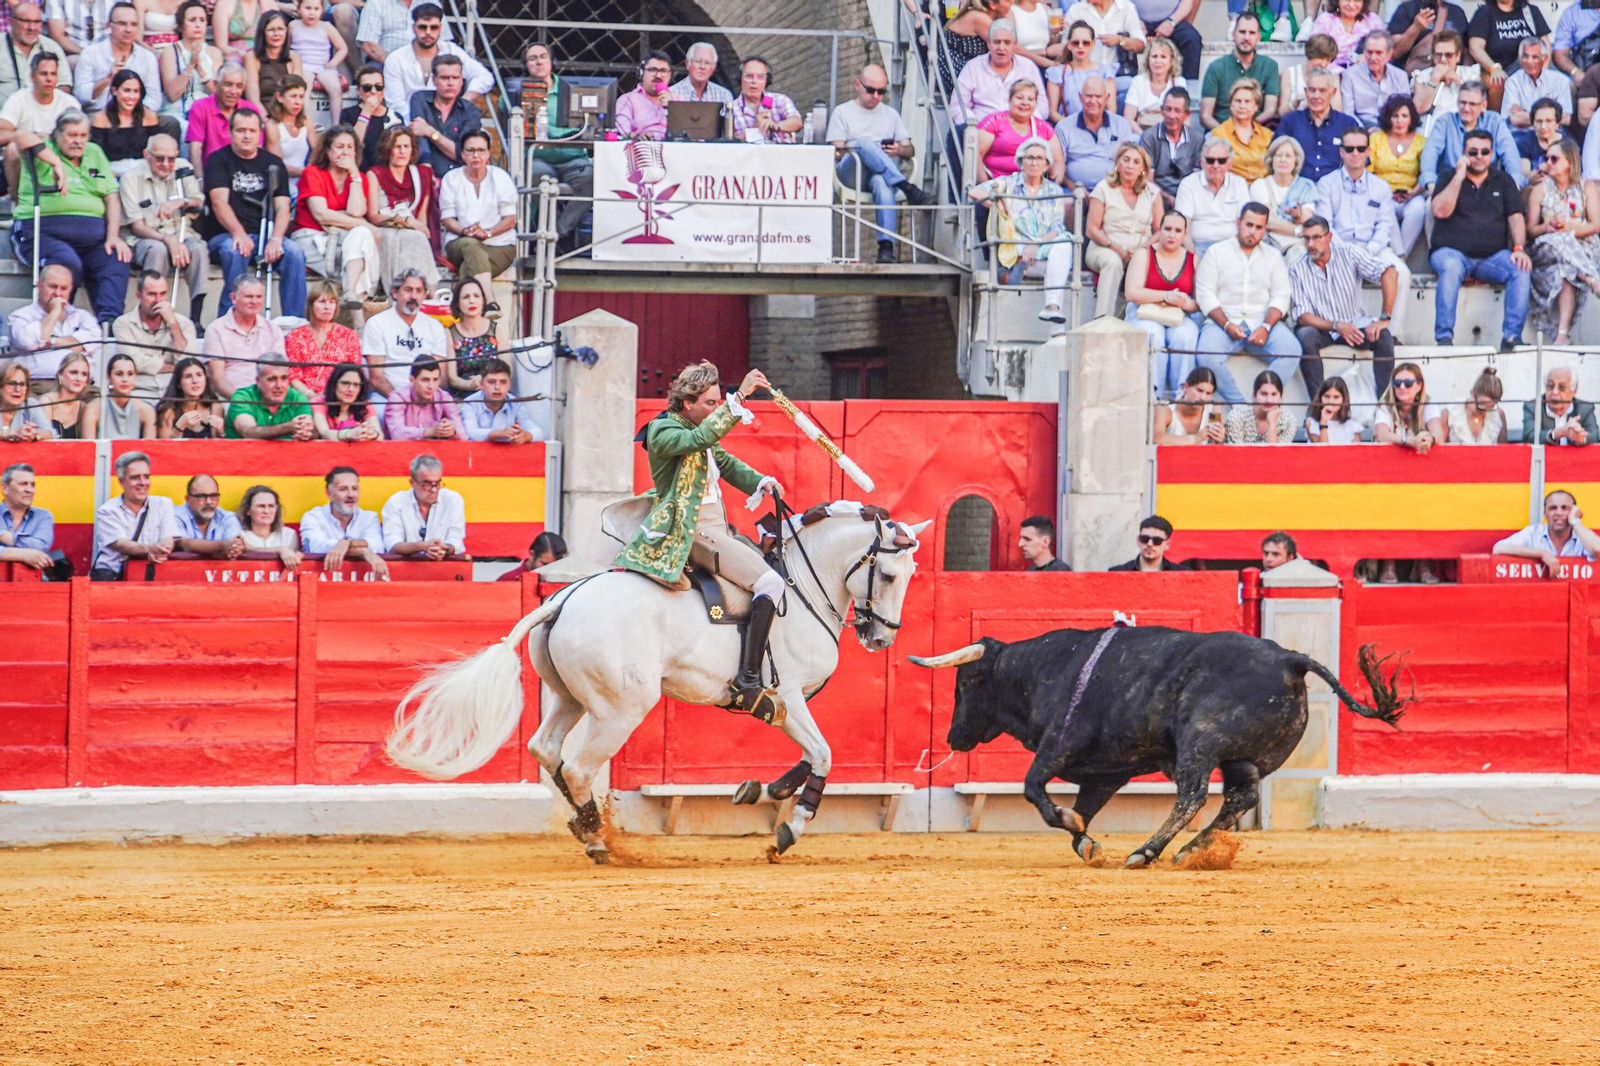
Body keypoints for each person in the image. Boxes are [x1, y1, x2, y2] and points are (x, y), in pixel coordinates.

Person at [621, 361, 793, 716]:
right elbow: (702, 440)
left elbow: (725, 463)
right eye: (710, 402)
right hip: (693, 530)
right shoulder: (664, 430)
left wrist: (761, 481)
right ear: (688, 403)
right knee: (771, 584)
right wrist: (740, 395)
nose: (716, 407)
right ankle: (748, 680)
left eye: (719, 402)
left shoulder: (695, 425)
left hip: (716, 528)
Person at [13, 110, 131, 324]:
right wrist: (55, 163)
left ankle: (108, 325)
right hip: (44, 232)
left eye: (83, 135)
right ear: (56, 135)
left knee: (115, 260)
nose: (78, 141)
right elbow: (19, 136)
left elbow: (111, 196)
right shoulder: (43, 149)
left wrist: (113, 236)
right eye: (71, 135)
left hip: (93, 240)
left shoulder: (94, 153)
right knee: (66, 264)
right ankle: (61, 323)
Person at [1429, 128, 1531, 350]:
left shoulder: (1503, 180)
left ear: (1492, 153)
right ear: (1464, 152)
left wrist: (1519, 247)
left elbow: (1515, 216)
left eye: (1485, 152)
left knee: (1520, 268)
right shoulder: (1448, 175)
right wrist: (1459, 175)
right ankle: (1444, 338)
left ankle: (1512, 338)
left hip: (1491, 257)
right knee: (1451, 265)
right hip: (1452, 252)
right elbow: (1440, 211)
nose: (1479, 157)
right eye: (1473, 152)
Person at [202, 109, 307, 319]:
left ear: (259, 133)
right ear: (230, 132)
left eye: (251, 130)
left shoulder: (274, 164)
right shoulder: (217, 160)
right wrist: (238, 233)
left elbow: (282, 207)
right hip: (226, 236)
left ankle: (293, 322)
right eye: (241, 130)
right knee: (235, 251)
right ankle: (229, 320)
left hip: (265, 235)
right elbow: (219, 203)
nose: (247, 135)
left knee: (294, 252)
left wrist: (276, 239)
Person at [1195, 201, 1298, 405]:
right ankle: (1241, 407)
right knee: (1206, 356)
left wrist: (1266, 326)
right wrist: (1227, 325)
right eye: (1248, 225)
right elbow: (1205, 294)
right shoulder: (1216, 252)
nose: (1253, 231)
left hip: (1261, 323)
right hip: (1222, 323)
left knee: (1292, 351)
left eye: (1259, 227)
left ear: (1265, 229)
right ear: (1238, 223)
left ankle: (1261, 403)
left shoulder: (1273, 256)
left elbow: (1281, 295)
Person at [1315, 126, 1413, 335]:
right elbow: (1326, 226)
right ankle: (1338, 333)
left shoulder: (1380, 186)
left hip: (1373, 250)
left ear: (1368, 152)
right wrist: (1348, 253)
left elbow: (1385, 226)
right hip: (1338, 250)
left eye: (1361, 149)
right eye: (1349, 149)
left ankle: (1393, 334)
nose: (1355, 154)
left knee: (1402, 273)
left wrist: (1368, 251)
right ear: (1341, 152)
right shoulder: (1326, 184)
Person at [830, 63, 931, 265]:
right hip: (851, 173)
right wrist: (866, 149)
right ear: (858, 85)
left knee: (881, 182)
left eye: (881, 91)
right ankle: (907, 187)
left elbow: (909, 149)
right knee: (864, 143)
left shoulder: (890, 114)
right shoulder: (842, 112)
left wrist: (899, 151)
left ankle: (886, 248)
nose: (876, 96)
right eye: (871, 90)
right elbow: (836, 151)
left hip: (880, 175)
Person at [1290, 214, 1398, 403]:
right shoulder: (1297, 268)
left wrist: (1384, 318)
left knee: (1383, 337)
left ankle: (1384, 405)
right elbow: (1302, 315)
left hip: (1355, 324)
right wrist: (1336, 326)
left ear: (1329, 238)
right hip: (1323, 328)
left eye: (1316, 237)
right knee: (1305, 336)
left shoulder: (1348, 252)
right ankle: (1318, 406)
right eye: (1306, 238)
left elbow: (1389, 271)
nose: (1310, 244)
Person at [967, 138, 1072, 329]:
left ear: (1047, 164)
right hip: (1016, 246)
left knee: (1064, 244)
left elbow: (1056, 228)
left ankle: (1052, 308)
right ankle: (1056, 328)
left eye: (1040, 158)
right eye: (1029, 158)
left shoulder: (1054, 190)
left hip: (1040, 251)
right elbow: (975, 192)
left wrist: (1036, 244)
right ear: (1021, 161)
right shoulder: (1009, 183)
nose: (1034, 162)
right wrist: (998, 205)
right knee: (1056, 266)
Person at [119, 133, 206, 322]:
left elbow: (198, 199)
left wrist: (181, 202)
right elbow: (137, 226)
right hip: (146, 237)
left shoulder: (184, 168)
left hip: (181, 232)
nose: (166, 164)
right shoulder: (130, 178)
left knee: (199, 249)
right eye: (159, 158)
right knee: (158, 250)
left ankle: (196, 318)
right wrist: (168, 240)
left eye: (171, 158)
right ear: (146, 155)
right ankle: (151, 316)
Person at [289, 124, 376, 306]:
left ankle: (350, 292)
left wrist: (353, 174)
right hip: (311, 238)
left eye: (350, 147)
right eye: (339, 147)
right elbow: (321, 215)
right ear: (327, 151)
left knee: (362, 237)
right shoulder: (312, 173)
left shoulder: (358, 178)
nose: (345, 152)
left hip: (342, 239)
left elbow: (356, 211)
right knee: (362, 243)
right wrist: (362, 224)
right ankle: (358, 318)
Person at [1526, 137, 1600, 343]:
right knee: (1557, 240)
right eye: (1546, 158)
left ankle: (1562, 334)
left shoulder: (1586, 187)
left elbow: (1596, 225)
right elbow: (1531, 230)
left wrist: (1569, 232)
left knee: (1564, 271)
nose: (1547, 162)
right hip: (1547, 248)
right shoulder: (1540, 189)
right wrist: (1548, 228)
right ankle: (1590, 278)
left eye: (1554, 158)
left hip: (1581, 247)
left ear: (1569, 162)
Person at [517, 43, 590, 248]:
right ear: (525, 65)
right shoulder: (518, 91)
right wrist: (561, 133)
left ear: (552, 62)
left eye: (543, 57)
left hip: (573, 158)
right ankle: (542, 233)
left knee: (593, 178)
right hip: (538, 157)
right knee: (537, 177)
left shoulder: (572, 90)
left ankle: (557, 233)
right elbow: (511, 115)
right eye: (533, 58)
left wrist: (552, 132)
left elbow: (587, 126)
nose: (539, 61)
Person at [1124, 210, 1199, 398]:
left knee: (1186, 335)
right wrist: (1165, 296)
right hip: (1143, 311)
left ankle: (1181, 394)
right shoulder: (1144, 254)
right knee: (1153, 334)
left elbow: (1199, 302)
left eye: (1177, 230)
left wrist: (1184, 303)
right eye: (1167, 229)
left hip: (1178, 313)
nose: (1172, 235)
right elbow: (1131, 292)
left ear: (1185, 234)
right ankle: (1152, 394)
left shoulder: (1193, 259)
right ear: (1159, 230)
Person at [439, 130, 515, 313]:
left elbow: (510, 220)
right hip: (459, 241)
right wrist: (465, 231)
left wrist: (488, 233)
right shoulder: (452, 178)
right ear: (463, 154)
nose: (476, 155)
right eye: (471, 150)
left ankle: (460, 312)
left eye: (481, 150)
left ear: (488, 153)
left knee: (469, 265)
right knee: (471, 245)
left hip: (499, 245)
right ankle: (490, 301)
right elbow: (448, 219)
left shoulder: (501, 177)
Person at [1084, 142, 1160, 317]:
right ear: (1117, 163)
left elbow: (1159, 231)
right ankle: (1103, 320)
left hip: (1141, 250)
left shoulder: (1152, 192)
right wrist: (1118, 249)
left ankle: (1141, 321)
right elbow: (1091, 230)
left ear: (1143, 168)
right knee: (1113, 262)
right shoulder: (1103, 188)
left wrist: (1142, 250)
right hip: (1104, 247)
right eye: (1125, 160)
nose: (1130, 166)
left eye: (1136, 162)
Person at [380, 3, 489, 123]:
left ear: (440, 28)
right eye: (422, 27)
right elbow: (396, 103)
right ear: (413, 27)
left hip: (449, 121)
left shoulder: (452, 51)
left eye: (433, 27)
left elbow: (484, 77)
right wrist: (423, 123)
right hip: (408, 124)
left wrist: (462, 102)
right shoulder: (395, 59)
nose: (428, 32)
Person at [364, 125, 439, 294]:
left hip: (412, 232)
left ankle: (429, 291)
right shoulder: (375, 174)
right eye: (397, 146)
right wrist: (404, 221)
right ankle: (400, 291)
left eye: (406, 147)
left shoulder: (422, 175)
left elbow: (421, 219)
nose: (402, 152)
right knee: (406, 236)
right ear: (388, 149)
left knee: (417, 237)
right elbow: (373, 216)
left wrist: (414, 226)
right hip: (385, 230)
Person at [4, 263, 100, 392]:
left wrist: (51, 341)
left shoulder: (82, 316)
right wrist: (54, 312)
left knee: (101, 405)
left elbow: (93, 342)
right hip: (37, 385)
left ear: (70, 289)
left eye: (63, 288)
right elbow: (27, 343)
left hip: (81, 386)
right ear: (39, 285)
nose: (58, 293)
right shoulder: (21, 316)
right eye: (53, 287)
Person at [1419, 79, 1523, 191]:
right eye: (1462, 102)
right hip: (1451, 185)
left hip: (1487, 187)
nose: (1466, 108)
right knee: (1430, 205)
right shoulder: (1445, 121)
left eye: (1472, 104)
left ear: (1484, 105)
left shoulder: (1494, 120)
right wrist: (1430, 183)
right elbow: (1430, 153)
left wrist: (1514, 182)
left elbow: (1509, 152)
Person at [90, 450, 175, 580]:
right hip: (113, 578)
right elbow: (123, 545)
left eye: (146, 476)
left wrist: (161, 551)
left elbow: (168, 538)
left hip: (150, 575)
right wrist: (151, 549)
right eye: (135, 477)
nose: (143, 483)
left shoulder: (163, 504)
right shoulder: (107, 510)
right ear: (121, 482)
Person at [362, 267, 448, 395]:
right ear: (395, 292)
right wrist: (401, 402)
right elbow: (376, 377)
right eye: (408, 290)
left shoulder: (435, 326)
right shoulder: (377, 324)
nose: (413, 296)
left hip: (426, 397)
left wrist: (421, 400)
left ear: (424, 295)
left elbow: (440, 374)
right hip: (387, 396)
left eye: (419, 291)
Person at [112, 269, 197, 397]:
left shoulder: (183, 324)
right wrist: (174, 368)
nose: (158, 300)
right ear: (138, 296)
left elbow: (189, 363)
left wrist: (173, 325)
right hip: (138, 392)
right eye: (152, 294)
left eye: (162, 294)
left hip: (175, 394)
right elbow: (136, 363)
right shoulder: (123, 324)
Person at [0, 52, 75, 196]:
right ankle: (18, 200)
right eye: (43, 74)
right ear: (32, 77)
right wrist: (31, 137)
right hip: (28, 155)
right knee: (12, 149)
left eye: (53, 74)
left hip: (60, 154)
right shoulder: (19, 99)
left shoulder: (69, 103)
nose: (49, 79)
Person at [201, 275, 285, 399]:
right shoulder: (216, 329)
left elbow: (280, 372)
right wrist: (244, 401)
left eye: (259, 297)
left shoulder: (273, 330)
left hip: (268, 399)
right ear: (233, 298)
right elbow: (217, 379)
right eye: (249, 297)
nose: (254, 302)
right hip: (232, 399)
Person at [299, 466, 389, 576]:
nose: (351, 495)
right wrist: (363, 551)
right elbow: (317, 548)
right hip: (322, 582)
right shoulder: (313, 517)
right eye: (343, 489)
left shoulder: (369, 517)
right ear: (329, 494)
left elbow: (377, 546)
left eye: (355, 489)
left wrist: (347, 543)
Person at [956, 18, 1046, 126]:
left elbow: (1042, 107)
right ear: (988, 43)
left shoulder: (1029, 68)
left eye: (1007, 42)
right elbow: (958, 106)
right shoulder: (972, 67)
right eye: (996, 42)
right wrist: (974, 127)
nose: (1001, 48)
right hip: (981, 131)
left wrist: (1024, 125)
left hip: (1021, 131)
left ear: (1015, 44)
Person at [71, 3, 160, 113]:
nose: (128, 29)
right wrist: (107, 79)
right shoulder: (90, 53)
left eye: (133, 24)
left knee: (169, 123)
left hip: (137, 117)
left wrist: (133, 115)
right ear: (109, 26)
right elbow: (80, 95)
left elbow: (154, 98)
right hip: (99, 115)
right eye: (122, 24)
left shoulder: (147, 57)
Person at [1276, 68, 1359, 182]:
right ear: (1305, 92)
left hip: (1336, 188)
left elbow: (1358, 162)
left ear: (1333, 93)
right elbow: (1276, 157)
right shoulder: (1290, 122)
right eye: (1312, 90)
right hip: (1297, 187)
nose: (1316, 96)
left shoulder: (1348, 124)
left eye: (1322, 90)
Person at [1199, 13, 1279, 131]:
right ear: (1233, 35)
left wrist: (1246, 130)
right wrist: (1228, 134)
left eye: (1251, 33)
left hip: (1256, 132)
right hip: (1221, 133)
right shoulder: (1216, 67)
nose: (1246, 37)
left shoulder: (1270, 66)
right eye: (1242, 32)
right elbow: (1205, 116)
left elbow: (1270, 110)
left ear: (1258, 37)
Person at [381, 452, 466, 560]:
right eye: (427, 484)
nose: (434, 489)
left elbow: (456, 540)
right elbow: (392, 544)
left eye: (437, 483)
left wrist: (443, 549)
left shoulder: (453, 499)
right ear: (412, 483)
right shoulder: (396, 502)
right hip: (407, 567)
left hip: (443, 565)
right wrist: (424, 546)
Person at [1370, 96, 1426, 258]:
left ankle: (1399, 257)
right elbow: (1368, 172)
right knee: (1385, 206)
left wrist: (1413, 192)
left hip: (1411, 194)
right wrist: (1385, 192)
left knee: (1418, 208)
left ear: (1411, 118)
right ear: (1388, 118)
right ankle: (1400, 257)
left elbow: (1426, 173)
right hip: (1382, 194)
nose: (1399, 121)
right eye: (1395, 116)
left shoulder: (1422, 142)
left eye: (1404, 116)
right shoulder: (1376, 139)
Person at [285, 279, 363, 397]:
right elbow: (292, 375)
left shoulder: (349, 336)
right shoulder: (295, 336)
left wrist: (332, 396)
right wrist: (311, 396)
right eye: (322, 301)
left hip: (339, 398)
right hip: (302, 399)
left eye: (332, 302)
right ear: (311, 305)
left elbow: (355, 373)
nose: (327, 307)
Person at [1467, 0, 1551, 109]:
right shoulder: (1484, 13)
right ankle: (1496, 120)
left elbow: (1545, 46)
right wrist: (1493, 68)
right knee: (1497, 83)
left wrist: (1542, 73)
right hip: (1496, 69)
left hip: (1528, 67)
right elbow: (1475, 47)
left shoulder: (1530, 11)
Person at [1493, 489, 1600, 572]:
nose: (1558, 513)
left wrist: (1575, 520)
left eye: (1564, 508)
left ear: (1573, 511)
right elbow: (1498, 549)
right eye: (1553, 508)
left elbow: (1597, 549)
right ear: (1545, 514)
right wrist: (1542, 554)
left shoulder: (1582, 535)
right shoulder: (1533, 533)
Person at [976, 79, 1060, 182]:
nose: (1025, 103)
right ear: (1010, 100)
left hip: (1033, 189)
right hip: (997, 187)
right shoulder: (993, 122)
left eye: (1030, 99)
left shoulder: (1044, 128)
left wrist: (1053, 184)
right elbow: (975, 156)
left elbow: (1057, 160)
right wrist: (985, 188)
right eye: (1019, 98)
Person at [407, 53, 477, 176]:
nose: (450, 83)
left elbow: (464, 154)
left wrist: (431, 132)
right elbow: (419, 137)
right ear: (434, 80)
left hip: (460, 178)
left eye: (455, 78)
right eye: (444, 78)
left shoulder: (469, 110)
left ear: (461, 81)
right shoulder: (420, 99)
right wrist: (427, 173)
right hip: (426, 174)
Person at [1250, 135, 1317, 257]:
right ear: (1271, 159)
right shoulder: (1260, 185)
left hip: (1297, 245)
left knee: (1298, 254)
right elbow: (1267, 222)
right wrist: (1298, 230)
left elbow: (1308, 221)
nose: (1283, 160)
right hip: (1267, 242)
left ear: (1296, 160)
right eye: (1279, 155)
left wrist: (1298, 215)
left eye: (1288, 156)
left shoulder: (1306, 186)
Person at [184, 63, 259, 170]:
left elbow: (257, 148)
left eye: (239, 86)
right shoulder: (200, 107)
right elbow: (195, 150)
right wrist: (200, 181)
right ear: (215, 84)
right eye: (228, 84)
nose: (233, 91)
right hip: (212, 174)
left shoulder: (251, 110)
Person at [226, 352, 316, 440]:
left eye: (284, 378)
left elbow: (311, 431)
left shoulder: (298, 398)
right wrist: (287, 428)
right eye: (272, 379)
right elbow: (248, 431)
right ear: (258, 381)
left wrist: (306, 434)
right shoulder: (243, 396)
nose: (279, 385)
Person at [157, 0, 219, 122]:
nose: (198, 25)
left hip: (208, 114)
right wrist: (190, 66)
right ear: (181, 26)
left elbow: (218, 95)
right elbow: (172, 95)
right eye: (192, 20)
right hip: (177, 113)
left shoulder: (214, 53)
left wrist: (201, 71)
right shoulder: (170, 51)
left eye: (202, 20)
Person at [88, 68, 158, 175]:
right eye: (126, 90)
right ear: (114, 91)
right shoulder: (101, 118)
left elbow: (155, 152)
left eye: (135, 91)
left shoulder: (149, 117)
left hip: (143, 171)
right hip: (112, 171)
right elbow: (95, 156)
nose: (131, 96)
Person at [1139, 87, 1198, 208]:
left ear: (1187, 114)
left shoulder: (1197, 139)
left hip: (1188, 198)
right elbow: (1147, 181)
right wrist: (1168, 198)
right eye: (1168, 109)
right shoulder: (1149, 137)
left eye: (1177, 110)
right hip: (1156, 197)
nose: (1171, 115)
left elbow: (1197, 181)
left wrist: (1183, 200)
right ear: (1161, 110)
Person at [1411, 29, 1478, 136]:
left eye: (1448, 55)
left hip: (1460, 131)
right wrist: (1434, 80)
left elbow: (1477, 101)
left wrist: (1456, 79)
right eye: (1438, 55)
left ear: (1458, 56)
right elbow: (1418, 108)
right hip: (1430, 131)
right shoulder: (1422, 76)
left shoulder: (1470, 74)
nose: (1443, 60)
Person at [1046, 20, 1115, 123]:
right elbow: (1053, 112)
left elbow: (1112, 109)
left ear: (1093, 44)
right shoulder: (1057, 73)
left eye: (1085, 43)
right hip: (1068, 128)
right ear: (1068, 45)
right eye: (1075, 43)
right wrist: (1071, 127)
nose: (1080, 46)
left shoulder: (1104, 71)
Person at [288, 0, 346, 119]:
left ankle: (336, 123)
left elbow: (342, 48)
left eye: (316, 9)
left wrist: (333, 62)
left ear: (322, 10)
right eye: (307, 8)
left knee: (335, 87)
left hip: (323, 65)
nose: (311, 13)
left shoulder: (326, 27)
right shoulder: (293, 25)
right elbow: (287, 47)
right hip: (302, 65)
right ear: (298, 8)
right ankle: (303, 119)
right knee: (304, 85)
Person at [460, 357, 540, 443]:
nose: (497, 387)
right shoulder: (470, 403)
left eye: (503, 382)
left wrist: (525, 436)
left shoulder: (515, 403)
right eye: (491, 382)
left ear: (509, 384)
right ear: (481, 384)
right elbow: (470, 433)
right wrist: (498, 433)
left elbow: (538, 432)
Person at [1341, 29, 1408, 128]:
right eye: (1369, 52)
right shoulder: (1350, 75)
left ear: (1389, 54)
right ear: (1363, 52)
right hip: (1361, 126)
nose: (1373, 57)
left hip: (1392, 127)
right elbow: (1348, 113)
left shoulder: (1400, 76)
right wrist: (1364, 131)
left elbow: (1405, 110)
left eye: (1378, 53)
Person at [0, 5, 68, 103]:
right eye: (26, 21)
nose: (32, 28)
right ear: (11, 22)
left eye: (37, 22)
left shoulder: (52, 47)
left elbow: (64, 84)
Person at [358, 0, 456, 67]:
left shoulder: (431, 2)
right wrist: (394, 65)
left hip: (427, 62)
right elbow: (368, 44)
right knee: (372, 74)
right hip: (385, 62)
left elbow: (445, 41)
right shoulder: (376, 3)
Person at [381, 354, 458, 440]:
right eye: (425, 380)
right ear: (412, 380)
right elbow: (397, 434)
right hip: (401, 451)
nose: (431, 386)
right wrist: (429, 432)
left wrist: (452, 432)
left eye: (435, 379)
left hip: (434, 451)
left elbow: (463, 435)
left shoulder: (444, 397)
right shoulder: (397, 398)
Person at [79, 352, 154, 438]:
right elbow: (89, 447)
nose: (125, 379)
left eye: (130, 374)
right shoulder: (93, 409)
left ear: (135, 376)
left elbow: (150, 449)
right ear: (108, 377)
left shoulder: (146, 410)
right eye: (119, 374)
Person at [342, 64, 402, 171]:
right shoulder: (348, 115)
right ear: (359, 91)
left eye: (378, 87)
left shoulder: (394, 116)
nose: (373, 91)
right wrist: (366, 112)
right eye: (367, 88)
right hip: (360, 174)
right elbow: (352, 145)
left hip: (387, 175)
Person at [730, 55, 802, 144]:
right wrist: (754, 129)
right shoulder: (730, 108)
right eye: (749, 76)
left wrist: (776, 126)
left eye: (760, 77)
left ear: (766, 80)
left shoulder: (780, 100)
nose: (754, 81)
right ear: (739, 78)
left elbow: (797, 122)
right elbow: (727, 143)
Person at [1374, 360, 1443, 452]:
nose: (1402, 387)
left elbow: (1438, 434)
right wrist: (1407, 441)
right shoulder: (1385, 405)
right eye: (1397, 383)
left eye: (1408, 383)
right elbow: (1381, 434)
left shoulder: (1428, 404)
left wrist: (1429, 440)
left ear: (1419, 386)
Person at [1500, 37, 1569, 129]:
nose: (1529, 61)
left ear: (1545, 58)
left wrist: (1524, 113)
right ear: (1519, 58)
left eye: (1535, 57)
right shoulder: (1512, 82)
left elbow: (1566, 119)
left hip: (1553, 133)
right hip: (1522, 133)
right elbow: (1513, 119)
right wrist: (1550, 116)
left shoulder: (1559, 80)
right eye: (1525, 56)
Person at [938, 0, 1001, 98]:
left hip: (969, 66)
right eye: (1008, 0)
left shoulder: (988, 15)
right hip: (951, 66)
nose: (1013, 2)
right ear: (993, 5)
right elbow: (1008, 45)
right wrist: (1034, 57)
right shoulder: (978, 17)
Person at [264, 74, 314, 198]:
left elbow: (318, 150)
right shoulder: (273, 126)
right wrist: (306, 172)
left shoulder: (306, 120)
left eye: (301, 97)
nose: (298, 102)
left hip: (304, 181)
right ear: (279, 97)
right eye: (293, 96)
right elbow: (278, 166)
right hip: (282, 186)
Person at [0, 462, 56, 571]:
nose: (29, 490)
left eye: (32, 485)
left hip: (29, 583)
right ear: (5, 488)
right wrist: (22, 554)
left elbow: (41, 547)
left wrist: (4, 537)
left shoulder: (43, 516)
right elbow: (33, 551)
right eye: (23, 484)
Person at [172, 473, 245, 556]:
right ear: (188, 499)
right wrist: (223, 546)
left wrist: (235, 546)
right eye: (201, 496)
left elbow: (233, 542)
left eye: (213, 496)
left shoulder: (227, 517)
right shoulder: (175, 515)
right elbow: (184, 544)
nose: (209, 502)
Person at [1523, 365, 1597, 446]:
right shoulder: (1533, 406)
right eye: (1550, 386)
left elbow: (1594, 436)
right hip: (1546, 458)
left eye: (1562, 387)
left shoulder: (1585, 408)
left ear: (1574, 390)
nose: (1554, 392)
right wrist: (1557, 433)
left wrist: (1579, 438)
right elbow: (1529, 436)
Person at [1387, 0, 1468, 74]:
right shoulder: (1407, 8)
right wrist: (1416, 27)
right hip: (1414, 76)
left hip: (1450, 78)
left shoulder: (1457, 12)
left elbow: (1465, 50)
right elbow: (1395, 51)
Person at [445, 276, 496, 394]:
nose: (472, 301)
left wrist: (485, 381)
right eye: (466, 297)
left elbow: (507, 370)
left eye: (476, 296)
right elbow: (452, 377)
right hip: (463, 393)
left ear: (483, 300)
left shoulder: (497, 329)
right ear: (457, 303)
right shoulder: (450, 332)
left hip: (493, 391)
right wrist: (470, 385)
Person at [1213, 79, 1270, 183]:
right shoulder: (1219, 134)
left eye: (1247, 102)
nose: (1242, 106)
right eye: (1238, 101)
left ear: (1256, 106)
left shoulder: (1267, 135)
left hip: (1263, 191)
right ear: (1231, 104)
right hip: (1232, 190)